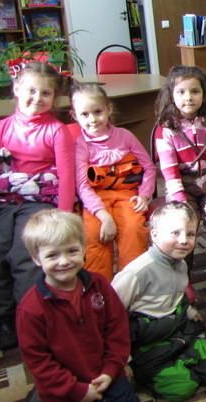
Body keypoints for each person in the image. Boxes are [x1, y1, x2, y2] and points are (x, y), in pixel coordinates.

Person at [0, 62, 74, 350]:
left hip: (40, 202)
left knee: (26, 256)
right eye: (31, 90)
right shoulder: (1, 129)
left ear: (54, 97)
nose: (37, 98)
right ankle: (1, 319)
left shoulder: (57, 131)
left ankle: (28, 317)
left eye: (46, 93)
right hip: (4, 201)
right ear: (16, 89)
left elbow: (66, 176)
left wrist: (62, 217)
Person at [16, 209, 137, 402]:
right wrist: (77, 390)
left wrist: (110, 369)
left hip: (107, 375)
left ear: (83, 249)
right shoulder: (30, 309)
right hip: (63, 388)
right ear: (37, 258)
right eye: (52, 255)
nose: (64, 261)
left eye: (72, 251)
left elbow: (117, 329)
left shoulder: (100, 285)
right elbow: (38, 361)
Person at [111, 202, 206, 401]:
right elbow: (111, 316)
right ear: (155, 235)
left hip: (176, 327)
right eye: (175, 233)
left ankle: (180, 357)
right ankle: (153, 368)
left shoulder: (180, 264)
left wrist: (189, 311)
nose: (184, 240)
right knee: (182, 388)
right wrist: (123, 359)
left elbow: (176, 293)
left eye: (190, 234)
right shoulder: (136, 273)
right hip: (147, 336)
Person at [72, 83, 156, 281]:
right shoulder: (81, 145)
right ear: (75, 116)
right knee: (94, 234)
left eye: (98, 112)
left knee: (133, 229)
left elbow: (149, 167)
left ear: (108, 109)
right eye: (85, 114)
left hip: (127, 196)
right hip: (95, 201)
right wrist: (104, 217)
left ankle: (132, 282)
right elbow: (82, 185)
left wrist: (144, 195)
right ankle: (99, 287)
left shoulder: (125, 136)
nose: (92, 119)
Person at [153, 65, 206, 257]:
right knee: (182, 224)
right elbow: (169, 170)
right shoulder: (165, 128)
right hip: (181, 184)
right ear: (171, 95)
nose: (188, 97)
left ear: (204, 95)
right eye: (181, 92)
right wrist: (180, 198)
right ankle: (183, 270)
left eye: (195, 91)